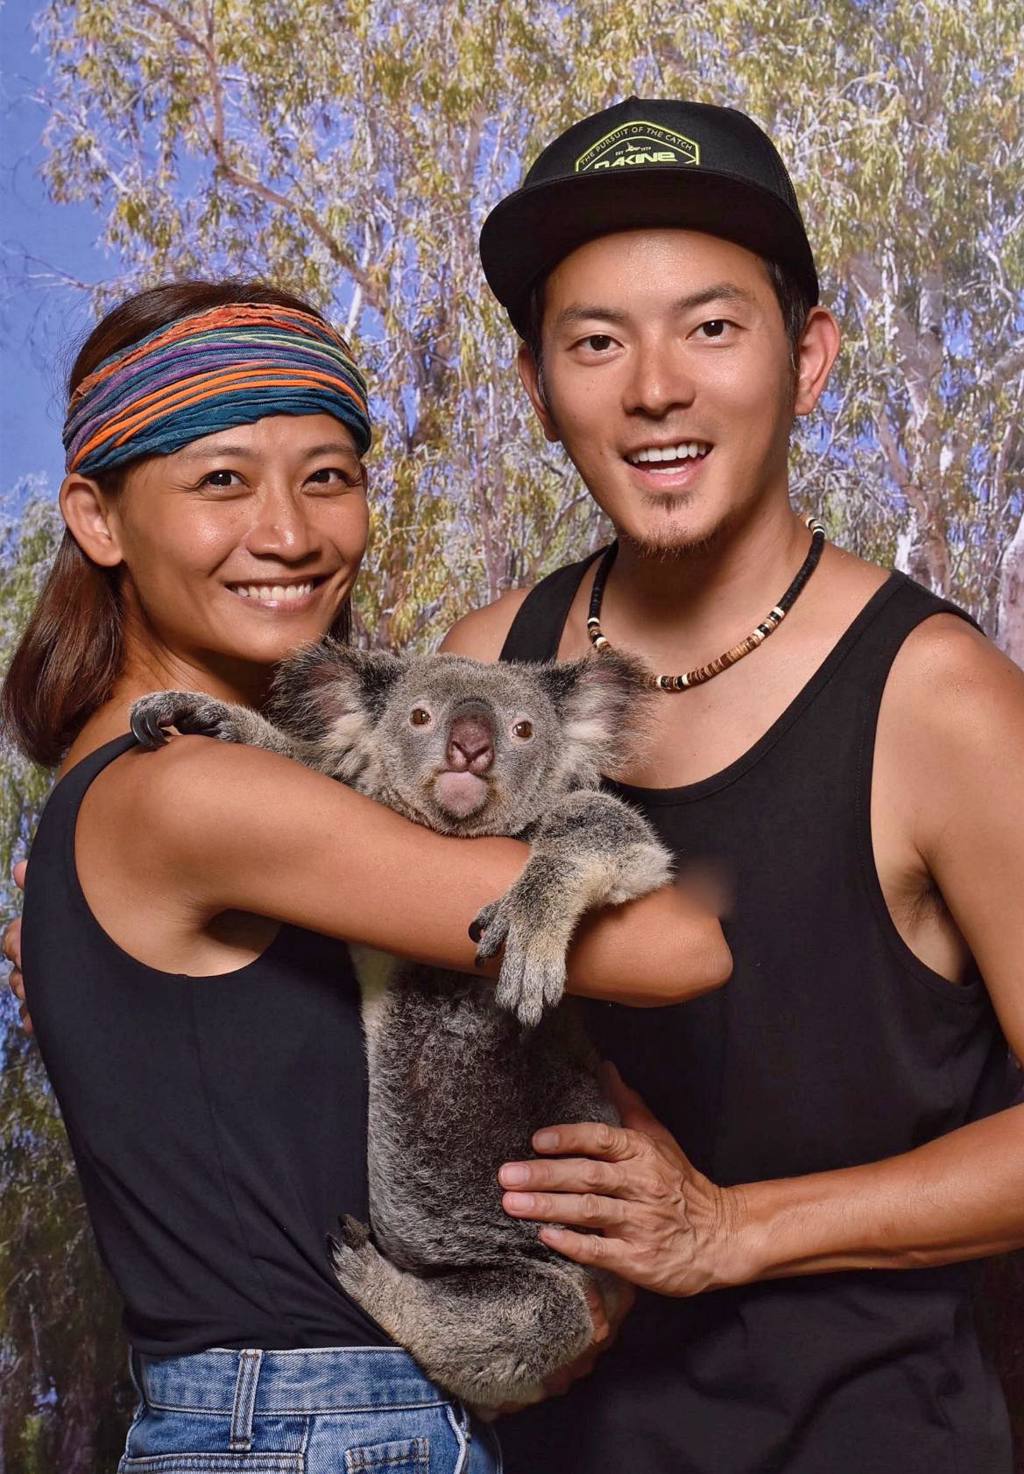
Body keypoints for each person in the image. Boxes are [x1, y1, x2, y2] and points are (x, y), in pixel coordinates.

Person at [0, 277, 730, 1471]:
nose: (290, 533)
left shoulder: (143, 782)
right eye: (221, 480)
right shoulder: (196, 788)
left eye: (328, 476)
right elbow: (681, 946)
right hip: (318, 1424)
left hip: (290, 1412)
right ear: (98, 518)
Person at [439, 97, 1024, 1472]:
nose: (655, 387)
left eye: (711, 327)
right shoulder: (488, 667)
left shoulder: (941, 703)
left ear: (807, 358)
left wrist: (729, 1228)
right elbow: (372, 996)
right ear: (538, 390)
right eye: (596, 341)